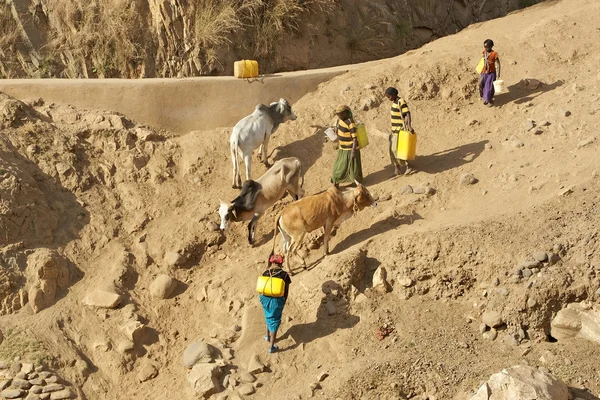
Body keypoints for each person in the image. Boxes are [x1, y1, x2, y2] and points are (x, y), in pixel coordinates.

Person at [259, 254, 292, 353]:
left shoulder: (265, 272)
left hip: (264, 298)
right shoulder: (284, 274)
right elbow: (286, 291)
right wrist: (283, 301)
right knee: (275, 321)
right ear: (281, 263)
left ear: (272, 262)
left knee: (267, 315)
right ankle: (271, 347)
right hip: (276, 301)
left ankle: (266, 336)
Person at [384, 87, 414, 176]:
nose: (388, 98)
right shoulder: (394, 102)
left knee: (400, 149)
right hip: (394, 130)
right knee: (392, 150)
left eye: (389, 96)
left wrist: (409, 126)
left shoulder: (401, 101)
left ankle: (409, 166)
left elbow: (407, 113)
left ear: (393, 95)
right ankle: (397, 169)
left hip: (401, 129)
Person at [330, 105, 363, 186]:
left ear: (345, 113)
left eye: (340, 114)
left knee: (351, 168)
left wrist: (353, 151)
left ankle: (357, 183)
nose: (339, 116)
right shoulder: (340, 120)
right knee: (339, 167)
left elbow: (354, 138)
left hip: (350, 149)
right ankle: (336, 182)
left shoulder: (350, 123)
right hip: (342, 149)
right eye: (337, 114)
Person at [479, 39, 501, 107]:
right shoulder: (484, 52)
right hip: (484, 72)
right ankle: (484, 97)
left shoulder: (494, 54)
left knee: (489, 88)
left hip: (491, 73)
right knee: (480, 84)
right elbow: (483, 60)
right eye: (485, 47)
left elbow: (498, 64)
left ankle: (489, 100)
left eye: (487, 47)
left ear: (491, 46)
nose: (485, 48)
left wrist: (498, 74)